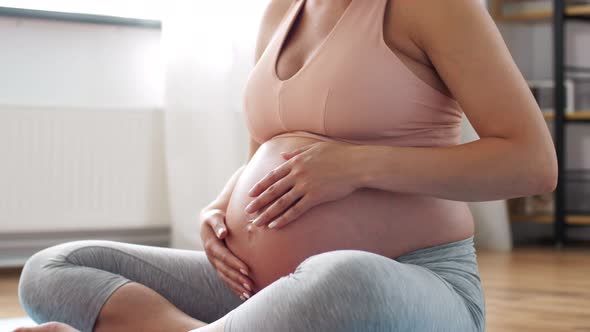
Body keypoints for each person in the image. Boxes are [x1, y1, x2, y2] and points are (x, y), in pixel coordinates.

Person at [15, 0, 557, 331]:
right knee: (55, 267)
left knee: (343, 274)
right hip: (256, 285)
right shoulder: (281, 9)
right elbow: (265, 149)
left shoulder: (432, 6)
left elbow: (532, 164)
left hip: (404, 283)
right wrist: (220, 206)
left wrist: (357, 166)